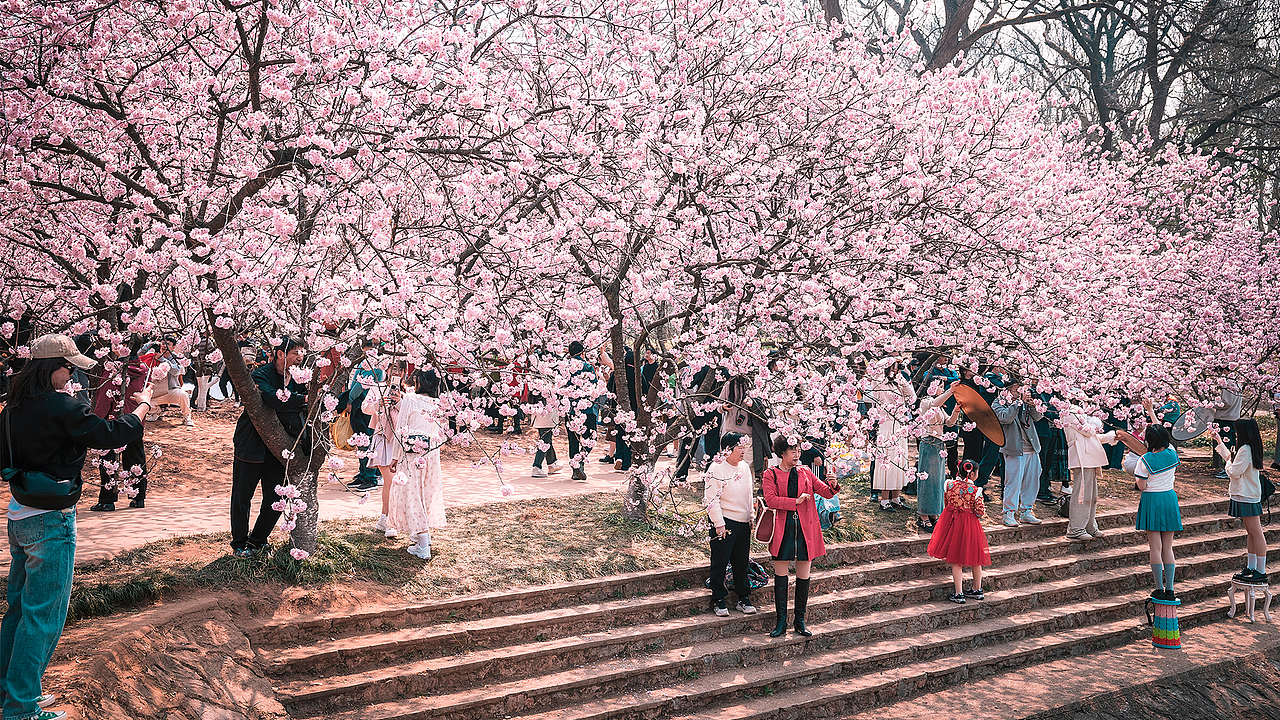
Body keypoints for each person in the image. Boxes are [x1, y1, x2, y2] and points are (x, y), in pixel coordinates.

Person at [0, 334, 152, 720]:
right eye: (68, 368)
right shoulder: (63, 407)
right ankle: (21, 706)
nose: (72, 376)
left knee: (18, 612)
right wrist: (143, 407)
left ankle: (10, 692)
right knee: (43, 616)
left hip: (19, 515)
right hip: (52, 521)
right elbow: (112, 435)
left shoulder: (12, 408)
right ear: (52, 368)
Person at [229, 336, 309, 558]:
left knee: (277, 498)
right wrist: (301, 400)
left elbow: (294, 405)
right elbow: (272, 399)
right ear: (280, 354)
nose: (300, 357)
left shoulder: (299, 379)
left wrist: (296, 401)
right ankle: (239, 543)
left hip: (280, 449)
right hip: (251, 445)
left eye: (302, 353)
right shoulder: (261, 375)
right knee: (242, 497)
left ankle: (258, 540)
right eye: (295, 353)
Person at [762, 435, 839, 638]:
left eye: (798, 450)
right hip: (783, 528)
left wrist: (832, 484)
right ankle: (781, 622)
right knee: (781, 577)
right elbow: (770, 500)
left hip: (806, 529)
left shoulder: (805, 471)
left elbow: (826, 492)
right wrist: (794, 502)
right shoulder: (770, 474)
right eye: (792, 451)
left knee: (804, 576)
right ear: (782, 453)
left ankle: (800, 621)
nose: (797, 454)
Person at [389, 370, 446, 560]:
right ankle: (421, 538)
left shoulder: (410, 399)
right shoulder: (438, 404)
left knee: (412, 495)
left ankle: (423, 544)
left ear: (420, 381)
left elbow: (400, 428)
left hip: (412, 455)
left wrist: (395, 457)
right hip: (431, 454)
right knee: (425, 495)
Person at [89, 349, 151, 511]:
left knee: (108, 460)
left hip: (113, 421)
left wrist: (97, 420)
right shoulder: (144, 369)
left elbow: (105, 398)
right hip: (136, 419)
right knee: (136, 457)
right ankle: (138, 497)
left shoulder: (113, 369)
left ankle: (107, 500)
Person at [1126, 424, 1182, 600]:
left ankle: (1159, 588)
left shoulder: (1145, 460)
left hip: (1152, 500)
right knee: (1168, 547)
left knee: (1155, 548)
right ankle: (1170, 589)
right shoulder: (1172, 453)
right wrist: (1151, 413)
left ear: (1149, 440)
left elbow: (1142, 486)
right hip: (1169, 498)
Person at [704, 432, 757, 617]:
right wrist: (719, 523)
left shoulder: (744, 467)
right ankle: (718, 599)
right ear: (727, 449)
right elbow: (711, 499)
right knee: (719, 561)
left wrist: (751, 516)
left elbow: (749, 493)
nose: (743, 451)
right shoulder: (716, 468)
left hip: (743, 521)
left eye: (744, 447)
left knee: (741, 562)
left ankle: (744, 597)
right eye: (739, 447)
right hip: (724, 520)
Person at [927, 460, 991, 604]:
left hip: (953, 523)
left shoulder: (949, 485)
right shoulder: (976, 490)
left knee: (956, 560)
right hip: (970, 525)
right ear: (972, 474)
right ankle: (977, 589)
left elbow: (946, 503)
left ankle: (959, 593)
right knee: (975, 557)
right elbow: (980, 512)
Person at [1212, 419, 1267, 582]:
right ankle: (1252, 567)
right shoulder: (1248, 448)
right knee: (1251, 533)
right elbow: (1232, 459)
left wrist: (1228, 464)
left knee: (1256, 533)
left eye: (1237, 431)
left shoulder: (1245, 449)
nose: (1235, 434)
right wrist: (1220, 442)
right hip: (1246, 494)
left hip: (1246, 496)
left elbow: (1234, 471)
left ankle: (1261, 571)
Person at [992, 375, 1044, 527]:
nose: (1018, 393)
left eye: (1020, 390)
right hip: (1014, 448)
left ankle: (1027, 511)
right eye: (1015, 390)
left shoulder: (1024, 402)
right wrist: (1017, 403)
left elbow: (1038, 417)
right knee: (1013, 482)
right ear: (1007, 390)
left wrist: (1033, 405)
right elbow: (1005, 418)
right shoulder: (999, 402)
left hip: (1032, 447)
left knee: (1032, 481)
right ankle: (1008, 513)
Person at [1061, 401, 1117, 541]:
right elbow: (1089, 431)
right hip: (1081, 456)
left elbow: (1092, 436)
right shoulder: (1070, 411)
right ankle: (1076, 528)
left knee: (1091, 495)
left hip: (1089, 456)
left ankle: (1089, 525)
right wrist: (1095, 423)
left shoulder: (1082, 415)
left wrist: (1109, 437)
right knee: (1082, 493)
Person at [869, 360, 916, 512]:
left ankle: (896, 498)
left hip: (900, 425)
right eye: (895, 366)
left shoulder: (898, 383)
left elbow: (912, 396)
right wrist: (890, 360)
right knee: (887, 462)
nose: (897, 369)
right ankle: (884, 500)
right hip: (887, 426)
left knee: (899, 461)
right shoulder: (879, 384)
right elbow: (876, 374)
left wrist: (903, 376)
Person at [365, 366, 405, 538]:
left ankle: (384, 519)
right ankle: (389, 522)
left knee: (394, 483)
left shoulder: (408, 392)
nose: (396, 372)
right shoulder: (378, 388)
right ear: (387, 370)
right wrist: (379, 404)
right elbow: (365, 408)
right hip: (382, 437)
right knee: (390, 481)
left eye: (400, 369)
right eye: (393, 368)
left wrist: (400, 401)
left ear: (404, 373)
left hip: (400, 441)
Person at [916, 381, 961, 531]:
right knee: (927, 480)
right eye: (940, 386)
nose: (942, 389)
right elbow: (934, 404)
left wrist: (956, 410)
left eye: (942, 387)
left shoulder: (940, 407)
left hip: (939, 443)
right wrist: (950, 391)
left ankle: (934, 513)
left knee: (937, 480)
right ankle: (923, 516)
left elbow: (949, 423)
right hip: (929, 441)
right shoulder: (926, 402)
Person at [346, 341, 384, 491]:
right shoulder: (367, 363)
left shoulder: (374, 364)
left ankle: (370, 477)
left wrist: (349, 400)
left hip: (365, 404)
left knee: (366, 440)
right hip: (363, 404)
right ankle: (363, 474)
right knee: (361, 440)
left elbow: (359, 386)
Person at [564, 342, 599, 481]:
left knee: (573, 440)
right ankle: (580, 461)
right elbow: (594, 386)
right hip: (586, 408)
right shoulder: (588, 367)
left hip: (570, 409)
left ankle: (575, 467)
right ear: (583, 352)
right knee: (591, 438)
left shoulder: (565, 367)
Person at [147, 336, 194, 427]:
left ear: (173, 347)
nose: (164, 346)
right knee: (142, 399)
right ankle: (156, 412)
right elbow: (139, 355)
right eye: (163, 343)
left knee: (183, 395)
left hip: (171, 391)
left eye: (168, 344)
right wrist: (149, 345)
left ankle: (187, 416)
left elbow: (176, 371)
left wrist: (162, 359)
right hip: (156, 391)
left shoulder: (177, 358)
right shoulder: (154, 355)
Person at [1210, 375, 1242, 478]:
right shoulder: (1236, 383)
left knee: (1226, 445)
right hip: (1232, 417)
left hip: (1225, 418)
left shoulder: (1229, 384)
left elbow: (1226, 403)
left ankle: (1228, 468)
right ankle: (1229, 468)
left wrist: (1211, 403)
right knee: (1230, 444)